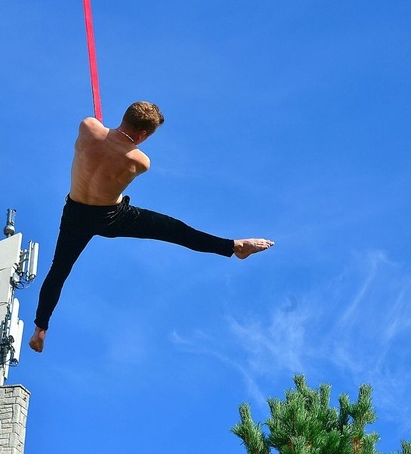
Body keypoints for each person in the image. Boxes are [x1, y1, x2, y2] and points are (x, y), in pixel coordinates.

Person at [29, 101, 274, 353]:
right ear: (143, 135)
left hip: (75, 214)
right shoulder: (139, 160)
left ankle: (40, 329)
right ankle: (234, 247)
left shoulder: (88, 126)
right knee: (173, 230)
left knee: (59, 270)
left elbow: (101, 145)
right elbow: (119, 166)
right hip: (110, 217)